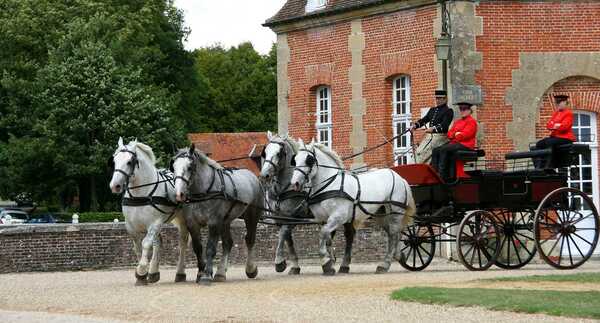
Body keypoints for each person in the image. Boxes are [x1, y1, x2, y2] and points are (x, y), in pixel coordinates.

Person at [431, 102, 478, 180]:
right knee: (436, 150)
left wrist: (456, 135)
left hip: (466, 145)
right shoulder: (458, 122)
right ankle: (435, 172)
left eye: (464, 109)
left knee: (444, 149)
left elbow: (465, 135)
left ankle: (441, 174)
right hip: (455, 144)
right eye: (461, 109)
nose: (462, 111)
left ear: (469, 111)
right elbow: (449, 133)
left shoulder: (471, 121)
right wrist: (456, 134)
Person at [533, 94, 576, 168]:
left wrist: (555, 125)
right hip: (555, 137)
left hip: (565, 138)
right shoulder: (556, 113)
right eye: (556, 103)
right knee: (539, 144)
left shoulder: (568, 113)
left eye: (559, 102)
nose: (557, 104)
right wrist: (557, 125)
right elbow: (549, 125)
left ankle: (549, 165)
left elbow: (564, 127)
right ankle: (539, 166)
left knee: (549, 142)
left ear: (565, 102)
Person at [411, 90, 454, 163]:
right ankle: (414, 164)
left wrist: (433, 129)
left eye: (440, 98)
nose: (438, 100)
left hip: (441, 137)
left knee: (425, 151)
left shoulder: (448, 111)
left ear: (445, 99)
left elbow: (444, 125)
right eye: (437, 98)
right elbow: (424, 119)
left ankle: (419, 166)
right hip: (429, 136)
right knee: (418, 151)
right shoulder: (432, 110)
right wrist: (415, 125)